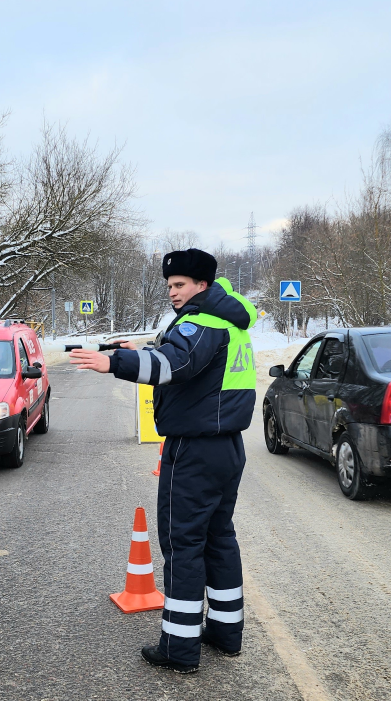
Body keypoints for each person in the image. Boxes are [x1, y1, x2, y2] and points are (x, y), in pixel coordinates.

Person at [70, 248, 257, 674]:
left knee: (183, 545)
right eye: (169, 286)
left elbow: (176, 362)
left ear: (202, 285)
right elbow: (193, 361)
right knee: (218, 539)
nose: (172, 292)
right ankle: (225, 634)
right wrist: (144, 346)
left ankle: (178, 647)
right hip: (226, 447)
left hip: (194, 450)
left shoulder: (201, 321)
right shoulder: (228, 320)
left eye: (179, 285)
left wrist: (113, 361)